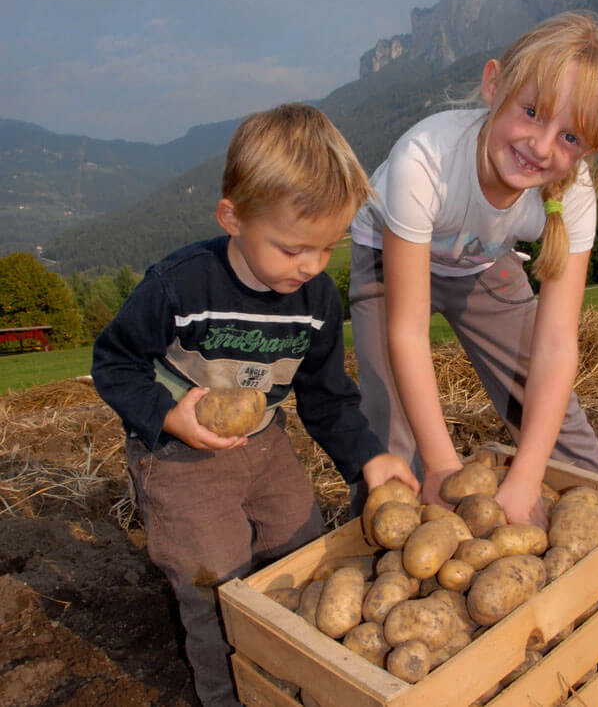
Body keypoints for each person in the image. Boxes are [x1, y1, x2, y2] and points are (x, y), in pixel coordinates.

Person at [92, 103, 419, 707]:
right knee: (216, 585)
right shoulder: (180, 286)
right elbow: (113, 362)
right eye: (294, 248)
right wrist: (168, 414)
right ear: (233, 217)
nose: (313, 266)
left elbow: (326, 397)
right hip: (179, 459)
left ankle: (292, 682)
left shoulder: (317, 299)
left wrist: (369, 459)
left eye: (328, 248)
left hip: (266, 445)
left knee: (302, 555)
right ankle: (228, 696)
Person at [349, 11, 598, 528]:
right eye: (531, 112)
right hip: (388, 257)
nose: (542, 147)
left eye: (571, 138)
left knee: (547, 403)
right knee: (390, 418)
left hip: (481, 258)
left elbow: (555, 344)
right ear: (493, 84)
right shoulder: (425, 160)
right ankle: (383, 541)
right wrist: (441, 465)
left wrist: (524, 479)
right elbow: (406, 332)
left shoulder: (574, 194)